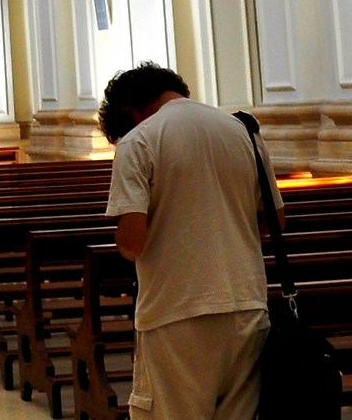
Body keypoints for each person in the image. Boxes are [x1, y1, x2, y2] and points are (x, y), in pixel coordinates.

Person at [102, 62, 283, 420]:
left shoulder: (139, 140)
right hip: (246, 302)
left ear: (131, 112)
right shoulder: (243, 131)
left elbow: (132, 242)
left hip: (176, 311)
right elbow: (275, 222)